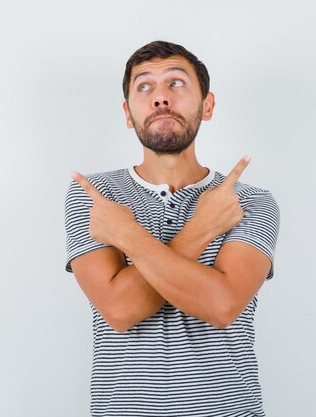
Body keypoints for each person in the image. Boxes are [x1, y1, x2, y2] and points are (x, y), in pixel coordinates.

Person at [64, 40, 280, 417]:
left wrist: (126, 235)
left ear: (207, 105)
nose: (160, 98)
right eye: (144, 87)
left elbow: (221, 305)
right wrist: (202, 227)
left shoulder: (249, 201)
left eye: (176, 83)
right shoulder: (97, 197)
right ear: (128, 113)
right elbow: (120, 309)